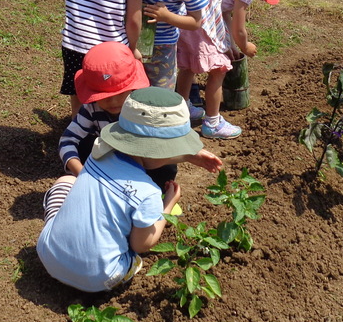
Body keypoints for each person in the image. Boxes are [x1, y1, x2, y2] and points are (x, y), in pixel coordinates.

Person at [38, 87, 223, 293]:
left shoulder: (98, 152)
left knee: (66, 181)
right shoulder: (148, 193)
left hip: (48, 256)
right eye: (174, 150)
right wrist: (168, 204)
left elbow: (149, 157)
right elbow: (142, 245)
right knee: (135, 250)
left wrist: (189, 156)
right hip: (98, 278)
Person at [58, 42, 222, 188]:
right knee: (85, 145)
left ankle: (156, 193)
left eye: (120, 93)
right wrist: (81, 173)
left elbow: (159, 149)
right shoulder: (91, 109)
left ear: (133, 87)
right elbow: (67, 141)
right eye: (105, 97)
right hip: (109, 162)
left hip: (143, 158)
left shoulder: (146, 108)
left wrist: (188, 154)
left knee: (165, 167)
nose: (113, 101)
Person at [180, 0, 290, 140]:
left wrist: (229, 42)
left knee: (187, 66)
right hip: (201, 23)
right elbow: (239, 29)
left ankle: (182, 110)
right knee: (218, 71)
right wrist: (245, 46)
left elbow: (222, 13)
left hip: (185, 18)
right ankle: (212, 123)